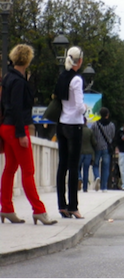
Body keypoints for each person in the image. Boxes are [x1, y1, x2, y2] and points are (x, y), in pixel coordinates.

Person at [0, 44, 57, 225]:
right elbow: (18, 108)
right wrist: (21, 133)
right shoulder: (18, 81)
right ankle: (38, 210)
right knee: (28, 171)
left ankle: (7, 208)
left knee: (9, 169)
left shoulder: (8, 78)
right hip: (18, 128)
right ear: (27, 59)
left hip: (6, 127)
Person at [55, 46, 87, 219]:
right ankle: (73, 206)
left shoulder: (62, 77)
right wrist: (85, 110)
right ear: (79, 61)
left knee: (62, 165)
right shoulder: (77, 79)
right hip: (74, 125)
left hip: (61, 124)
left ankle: (62, 205)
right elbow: (79, 106)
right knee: (74, 167)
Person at [91, 107, 115, 192]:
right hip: (106, 148)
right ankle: (104, 187)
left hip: (97, 147)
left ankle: (97, 176)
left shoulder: (95, 124)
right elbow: (112, 136)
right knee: (106, 167)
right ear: (107, 115)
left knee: (95, 164)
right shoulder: (111, 125)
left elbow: (92, 135)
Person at [78, 117, 97, 192]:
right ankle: (85, 188)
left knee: (76, 168)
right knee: (86, 170)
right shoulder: (90, 131)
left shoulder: (77, 131)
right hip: (89, 153)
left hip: (79, 152)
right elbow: (94, 142)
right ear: (86, 122)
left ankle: (79, 178)